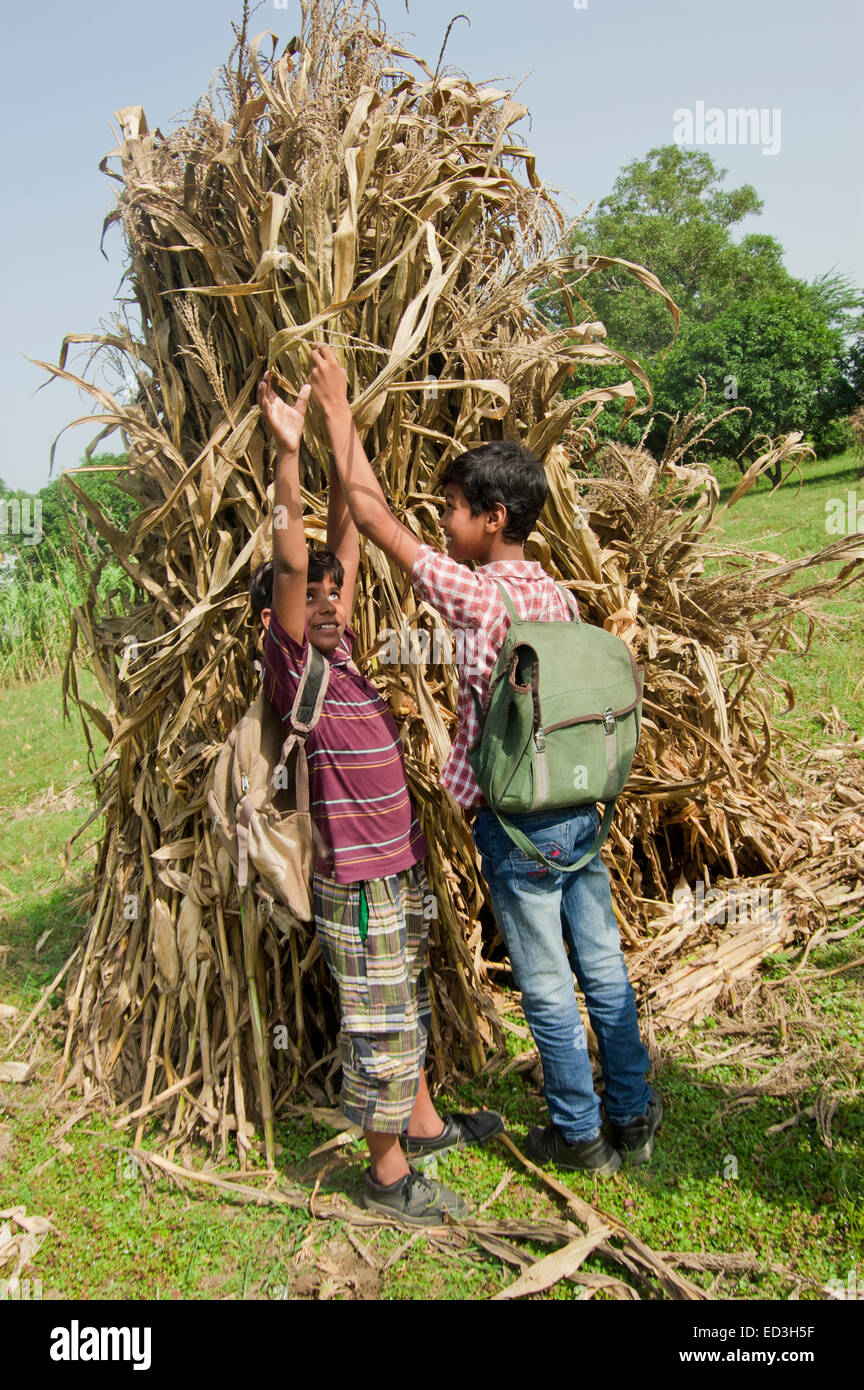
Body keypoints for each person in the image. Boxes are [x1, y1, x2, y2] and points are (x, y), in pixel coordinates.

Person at [303, 344, 662, 1176]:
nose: (444, 522)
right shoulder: (556, 592)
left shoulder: (474, 591)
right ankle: (634, 1119)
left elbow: (370, 511)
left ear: (494, 517)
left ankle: (577, 1134)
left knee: (545, 981)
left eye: (456, 508)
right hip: (579, 814)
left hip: (515, 824)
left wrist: (335, 409)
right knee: (603, 967)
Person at [254, 372, 502, 1225]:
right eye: (308, 597)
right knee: (379, 1021)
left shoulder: (345, 658)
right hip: (355, 886)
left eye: (335, 594)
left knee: (409, 1004)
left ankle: (424, 1125)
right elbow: (296, 555)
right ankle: (389, 1176)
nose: (326, 599)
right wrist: (287, 456)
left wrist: (337, 432)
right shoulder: (295, 668)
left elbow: (344, 541)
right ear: (278, 623)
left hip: (396, 872)